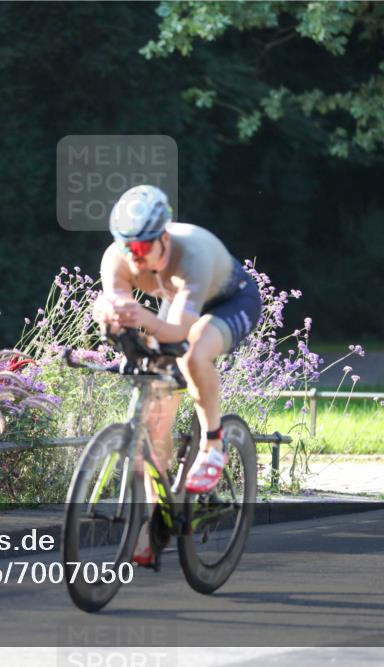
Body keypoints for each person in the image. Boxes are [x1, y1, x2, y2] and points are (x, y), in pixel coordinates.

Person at [91, 184, 262, 564]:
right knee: (155, 415)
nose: (133, 258)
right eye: (126, 248)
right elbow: (122, 314)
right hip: (176, 303)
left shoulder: (191, 255)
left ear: (163, 238)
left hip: (229, 302)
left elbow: (180, 331)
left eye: (141, 248)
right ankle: (157, 520)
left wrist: (144, 320)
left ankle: (214, 444)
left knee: (195, 353)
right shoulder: (116, 258)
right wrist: (114, 322)